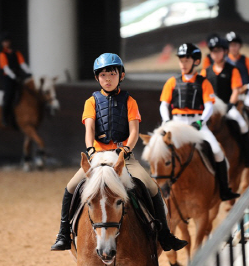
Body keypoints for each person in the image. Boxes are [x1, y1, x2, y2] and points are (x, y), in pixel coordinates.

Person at [50, 53, 188, 252]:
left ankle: (164, 235)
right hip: (98, 156)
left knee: (151, 187)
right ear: (97, 78)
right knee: (71, 187)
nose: (107, 79)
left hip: (124, 158)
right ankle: (63, 233)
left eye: (112, 74)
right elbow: (89, 129)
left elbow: (134, 132)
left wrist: (126, 149)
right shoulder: (91, 102)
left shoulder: (130, 101)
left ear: (120, 76)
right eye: (103, 75)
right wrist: (90, 149)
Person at [160, 43, 240, 201]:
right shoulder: (172, 82)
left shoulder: (204, 82)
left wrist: (201, 121)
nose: (183, 64)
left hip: (197, 123)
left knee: (217, 150)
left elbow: (209, 105)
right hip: (176, 123)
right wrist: (167, 121)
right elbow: (164, 104)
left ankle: (224, 189)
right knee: (160, 150)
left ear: (196, 61)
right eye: (181, 60)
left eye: (187, 60)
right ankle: (162, 190)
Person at [200, 36, 249, 167]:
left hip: (227, 106)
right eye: (213, 51)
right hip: (211, 107)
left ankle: (247, 157)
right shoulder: (205, 72)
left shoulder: (233, 70)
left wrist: (230, 105)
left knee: (242, 124)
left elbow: (235, 90)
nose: (215, 54)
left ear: (225, 51)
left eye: (218, 50)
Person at [0, 33, 32, 128]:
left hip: (18, 76)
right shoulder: (2, 54)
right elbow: (6, 68)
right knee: (8, 96)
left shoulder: (16, 53)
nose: (6, 43)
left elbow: (22, 64)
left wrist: (30, 72)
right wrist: (13, 77)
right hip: (8, 78)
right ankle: (4, 117)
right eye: (4, 42)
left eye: (7, 41)